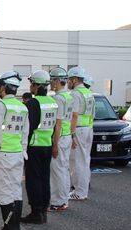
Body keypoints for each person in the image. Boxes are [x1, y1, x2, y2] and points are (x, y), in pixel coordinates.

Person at [0, 71, 29, 230]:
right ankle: (15, 227)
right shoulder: (22, 107)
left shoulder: (1, 106)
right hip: (17, 154)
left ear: (3, 87)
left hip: (3, 155)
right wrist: (23, 150)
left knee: (4, 190)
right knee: (15, 189)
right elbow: (25, 132)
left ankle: (9, 228)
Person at [21, 70, 58, 224]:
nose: (30, 87)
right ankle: (43, 209)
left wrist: (24, 146)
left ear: (36, 86)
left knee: (33, 179)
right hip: (47, 144)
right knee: (44, 177)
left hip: (34, 145)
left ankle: (36, 212)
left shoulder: (33, 103)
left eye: (31, 84)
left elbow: (29, 127)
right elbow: (56, 125)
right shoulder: (52, 102)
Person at [48, 67, 74, 211]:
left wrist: (55, 143)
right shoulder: (69, 97)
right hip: (67, 135)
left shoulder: (58, 98)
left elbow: (57, 122)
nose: (51, 83)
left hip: (60, 137)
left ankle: (57, 201)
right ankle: (64, 199)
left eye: (52, 80)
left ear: (57, 81)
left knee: (57, 170)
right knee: (64, 169)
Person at [67, 66, 94, 201]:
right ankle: (82, 190)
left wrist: (71, 133)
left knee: (77, 161)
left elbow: (75, 115)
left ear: (75, 79)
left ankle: (79, 191)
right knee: (85, 160)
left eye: (69, 80)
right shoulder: (89, 93)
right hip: (88, 129)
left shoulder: (76, 94)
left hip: (79, 129)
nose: (68, 83)